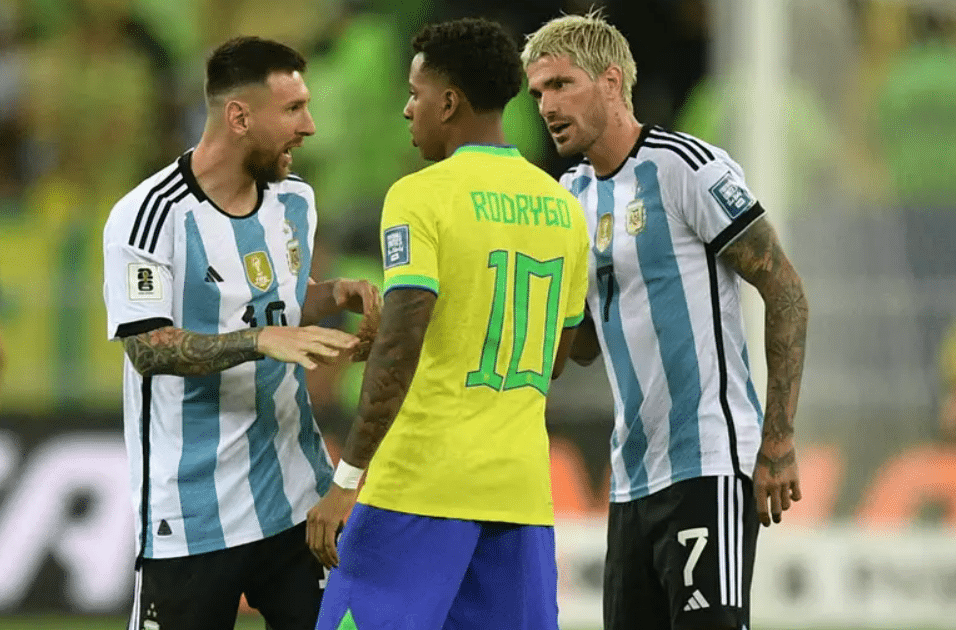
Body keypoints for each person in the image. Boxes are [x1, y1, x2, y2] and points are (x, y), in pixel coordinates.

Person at [522, 12, 809, 630]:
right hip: (630, 479)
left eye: (561, 84)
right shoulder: (570, 197)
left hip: (707, 460)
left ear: (611, 81)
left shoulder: (684, 166)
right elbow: (585, 346)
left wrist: (778, 439)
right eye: (537, 92)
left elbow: (784, 290)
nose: (546, 105)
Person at [306, 18, 590, 630]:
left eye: (415, 94)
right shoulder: (565, 209)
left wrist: (346, 481)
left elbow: (403, 342)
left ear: (449, 101)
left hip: (419, 487)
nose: (408, 110)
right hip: (518, 495)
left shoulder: (422, 195)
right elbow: (552, 354)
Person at [101, 36, 380, 630]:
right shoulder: (149, 215)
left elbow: (269, 302)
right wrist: (261, 342)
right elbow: (146, 347)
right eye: (294, 110)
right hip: (191, 514)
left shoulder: (295, 202)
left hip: (298, 499)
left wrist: (333, 296)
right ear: (239, 116)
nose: (309, 126)